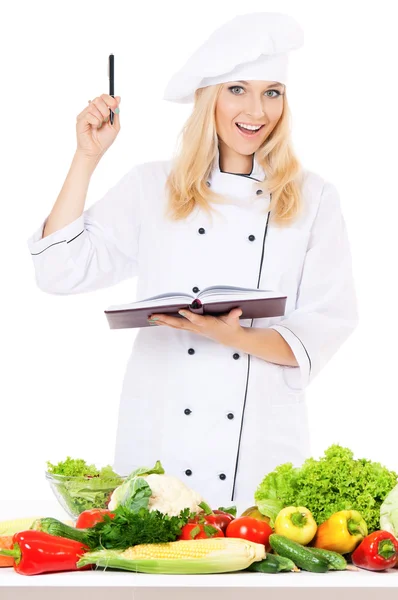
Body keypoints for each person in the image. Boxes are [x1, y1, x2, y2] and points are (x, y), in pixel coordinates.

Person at [27, 12, 358, 508]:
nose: (257, 110)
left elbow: (328, 323)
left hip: (259, 450)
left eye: (273, 92)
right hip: (161, 433)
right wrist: (87, 157)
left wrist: (236, 337)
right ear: (210, 98)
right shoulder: (150, 186)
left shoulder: (313, 197)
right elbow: (59, 271)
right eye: (237, 90)